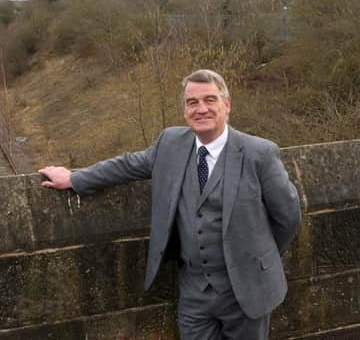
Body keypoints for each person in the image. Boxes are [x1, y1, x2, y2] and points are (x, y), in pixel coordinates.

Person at [39, 69, 301, 339]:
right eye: (192, 102)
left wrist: (258, 258)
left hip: (247, 291)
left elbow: (288, 217)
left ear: (227, 105)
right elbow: (128, 165)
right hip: (194, 292)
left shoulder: (260, 153)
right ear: (185, 110)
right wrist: (74, 178)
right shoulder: (170, 143)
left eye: (210, 100)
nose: (201, 109)